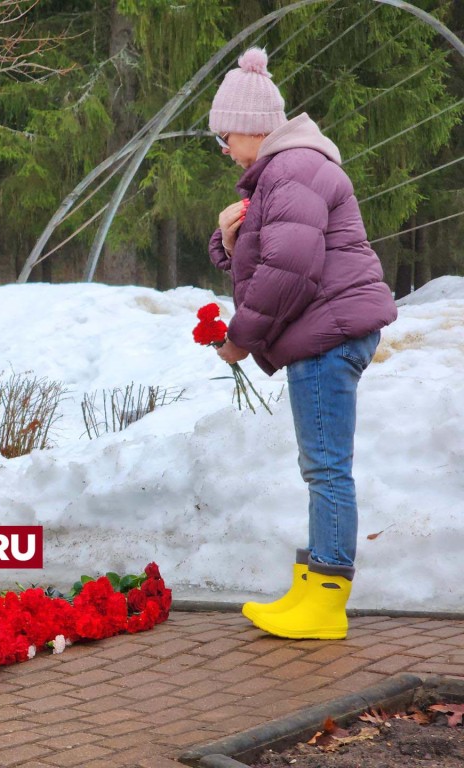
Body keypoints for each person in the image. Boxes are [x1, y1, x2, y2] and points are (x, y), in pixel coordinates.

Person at [207, 47, 397, 640]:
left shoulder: (291, 170)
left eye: (223, 138)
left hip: (327, 334)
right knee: (320, 466)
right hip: (326, 330)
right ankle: (312, 587)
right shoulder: (288, 171)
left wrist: (241, 340)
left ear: (245, 127)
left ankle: (327, 603)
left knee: (327, 469)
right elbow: (264, 258)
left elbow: (290, 271)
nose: (224, 151)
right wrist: (228, 236)